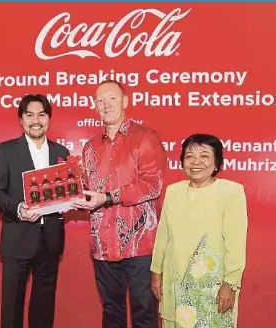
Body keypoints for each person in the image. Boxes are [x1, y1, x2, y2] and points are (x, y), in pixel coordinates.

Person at [74, 80, 167, 328]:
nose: (106, 105)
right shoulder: (90, 147)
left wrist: (108, 197)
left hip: (140, 245)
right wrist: (70, 195)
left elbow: (152, 185)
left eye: (112, 98)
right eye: (100, 100)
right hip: (103, 244)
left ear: (125, 101)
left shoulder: (146, 138)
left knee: (144, 312)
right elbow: (87, 190)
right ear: (95, 106)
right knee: (111, 313)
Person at [0, 94, 70, 328]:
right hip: (17, 238)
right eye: (30, 115)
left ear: (49, 119)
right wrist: (18, 208)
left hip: (51, 240)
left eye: (42, 114)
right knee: (12, 305)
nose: (36, 120)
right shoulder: (6, 151)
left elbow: (67, 193)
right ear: (21, 120)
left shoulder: (61, 153)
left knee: (44, 305)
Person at [150, 134, 248, 328]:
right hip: (174, 282)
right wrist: (156, 272)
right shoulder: (173, 191)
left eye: (204, 156)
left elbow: (235, 243)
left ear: (216, 162)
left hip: (212, 287)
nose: (196, 162)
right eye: (189, 156)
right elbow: (163, 235)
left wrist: (230, 284)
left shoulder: (231, 192)